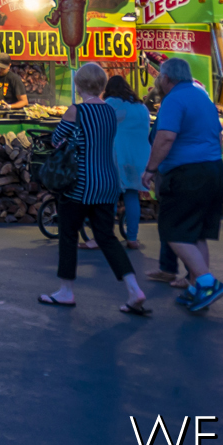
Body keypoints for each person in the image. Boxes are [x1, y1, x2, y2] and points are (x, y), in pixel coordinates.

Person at [40, 62, 151, 315]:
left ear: (78, 86)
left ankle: (66, 291)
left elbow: (57, 140)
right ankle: (134, 289)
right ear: (102, 86)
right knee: (107, 237)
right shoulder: (111, 112)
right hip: (108, 182)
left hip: (80, 184)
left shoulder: (75, 111)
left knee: (68, 234)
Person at [144, 58, 223, 311]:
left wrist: (150, 169)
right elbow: (218, 136)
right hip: (213, 169)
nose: (157, 81)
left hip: (186, 173)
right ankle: (195, 287)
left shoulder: (173, 100)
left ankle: (207, 281)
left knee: (173, 231)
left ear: (167, 79)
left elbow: (166, 137)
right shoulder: (202, 98)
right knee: (197, 233)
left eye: (159, 77)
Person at [102, 74, 151, 249]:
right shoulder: (141, 107)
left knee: (111, 196)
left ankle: (106, 237)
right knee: (132, 196)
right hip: (139, 158)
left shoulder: (110, 104)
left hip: (117, 156)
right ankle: (132, 238)